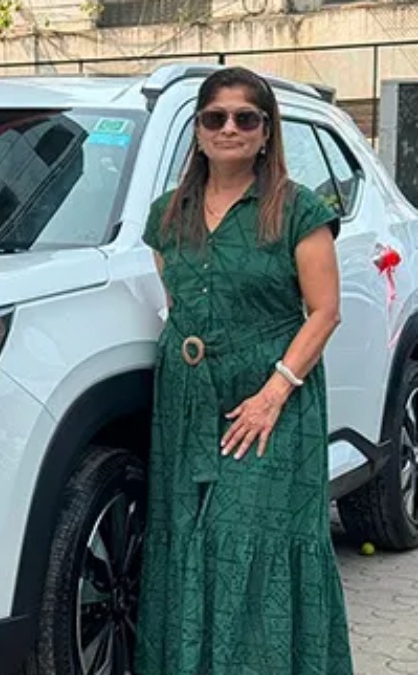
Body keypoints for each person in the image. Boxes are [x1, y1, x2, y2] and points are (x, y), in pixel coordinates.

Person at [135, 66, 353, 674]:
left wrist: (274, 393)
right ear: (198, 130)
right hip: (188, 400)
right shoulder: (167, 215)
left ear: (265, 131)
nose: (229, 128)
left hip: (272, 397)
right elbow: (181, 300)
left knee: (254, 539)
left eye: (245, 118)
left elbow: (325, 311)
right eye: (215, 117)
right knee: (189, 534)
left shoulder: (299, 210)